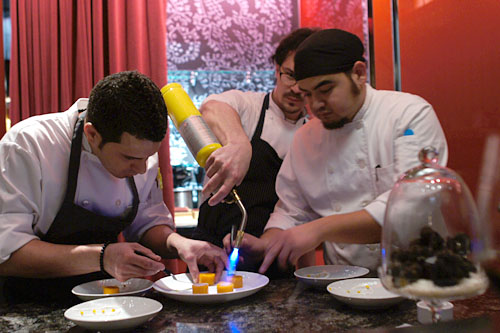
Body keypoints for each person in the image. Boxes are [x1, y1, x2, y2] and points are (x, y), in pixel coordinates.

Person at [223, 29, 449, 275]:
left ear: (359, 74)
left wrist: (319, 229)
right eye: (308, 94)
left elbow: (410, 207)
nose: (315, 105)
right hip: (346, 284)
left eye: (325, 90)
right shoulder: (306, 138)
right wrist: (268, 243)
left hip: (420, 281)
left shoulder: (408, 114)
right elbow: (292, 211)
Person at [0, 71, 228, 303]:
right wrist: (102, 257)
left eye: (148, 156)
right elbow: (7, 255)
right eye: (129, 157)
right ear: (93, 135)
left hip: (103, 301)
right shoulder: (30, 145)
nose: (141, 169)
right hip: (28, 303)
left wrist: (180, 244)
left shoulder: (141, 155)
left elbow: (146, 223)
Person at [192, 28, 317, 268]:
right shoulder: (249, 106)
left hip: (274, 258)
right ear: (277, 70)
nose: (295, 89)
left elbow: (303, 215)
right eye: (289, 75)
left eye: (305, 81)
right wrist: (240, 144)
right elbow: (211, 108)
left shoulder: (314, 134)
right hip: (213, 250)